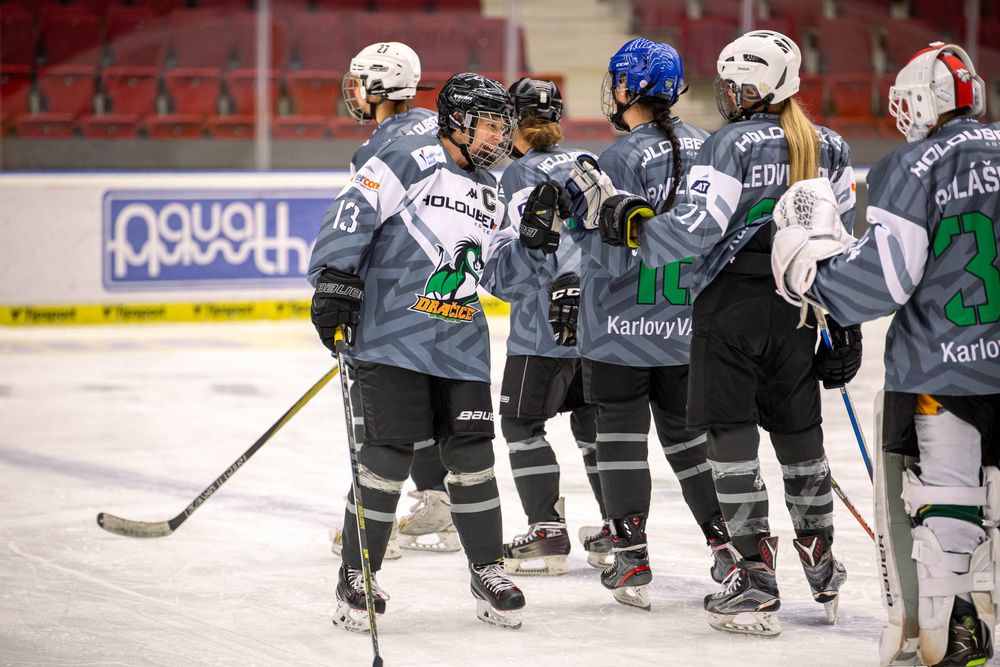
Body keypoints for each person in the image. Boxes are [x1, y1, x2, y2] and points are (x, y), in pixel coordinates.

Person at [585, 30, 858, 635]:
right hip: (798, 309)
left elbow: (693, 232)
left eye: (733, 84)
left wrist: (627, 221)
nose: (726, 94)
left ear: (753, 87)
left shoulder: (730, 143)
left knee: (732, 440)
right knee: (800, 436)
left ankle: (755, 577)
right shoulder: (830, 145)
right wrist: (844, 323)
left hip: (730, 310)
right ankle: (821, 563)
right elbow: (841, 243)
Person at [770, 42, 998, 666]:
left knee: (949, 497)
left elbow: (885, 280)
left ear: (924, 101)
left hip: (944, 366)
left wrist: (813, 271)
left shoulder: (915, 165)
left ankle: (956, 631)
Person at [309, 72, 561, 631]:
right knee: (388, 455)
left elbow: (503, 278)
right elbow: (352, 211)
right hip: (393, 335)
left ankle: (487, 569)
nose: (499, 136)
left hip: (460, 343)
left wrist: (535, 246)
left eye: (503, 126)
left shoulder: (491, 189)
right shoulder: (409, 158)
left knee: (473, 457)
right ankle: (358, 575)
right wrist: (334, 278)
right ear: (457, 122)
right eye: (489, 124)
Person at [563, 38, 735, 610]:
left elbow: (613, 257)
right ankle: (726, 546)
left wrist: (578, 221)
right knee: (692, 445)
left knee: (620, 439)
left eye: (617, 80)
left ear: (627, 88)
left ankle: (631, 556)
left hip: (620, 329)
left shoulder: (621, 158)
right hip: (687, 329)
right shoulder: (712, 147)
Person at [331, 41, 459, 557]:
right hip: (444, 294)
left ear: (379, 86)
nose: (355, 91)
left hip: (393, 300)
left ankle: (370, 527)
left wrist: (342, 287)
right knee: (426, 405)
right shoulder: (440, 126)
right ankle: (440, 504)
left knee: (382, 415)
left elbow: (361, 227)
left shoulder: (379, 149)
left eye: (361, 80)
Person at [489, 77, 606, 576]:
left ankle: (546, 531)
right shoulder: (586, 160)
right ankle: (618, 530)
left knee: (521, 423)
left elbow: (536, 247)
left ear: (511, 123)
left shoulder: (518, 174)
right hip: (599, 323)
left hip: (545, 322)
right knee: (592, 422)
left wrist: (563, 282)